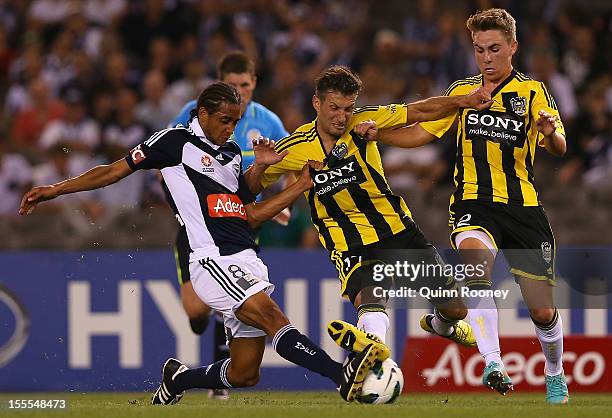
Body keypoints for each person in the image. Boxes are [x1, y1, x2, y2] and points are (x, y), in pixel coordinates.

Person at [19, 82, 384, 403]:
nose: (230, 129)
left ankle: (179, 378)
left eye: (235, 122)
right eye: (224, 121)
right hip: (212, 259)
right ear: (203, 113)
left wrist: (258, 168)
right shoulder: (174, 142)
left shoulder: (231, 155)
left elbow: (241, 201)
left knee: (244, 373)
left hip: (245, 255)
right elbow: (114, 170)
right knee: (273, 317)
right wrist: (56, 189)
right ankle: (342, 375)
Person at [358, 8, 569, 404]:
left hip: (524, 209)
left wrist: (550, 131)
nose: (486, 58)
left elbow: (559, 146)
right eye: (479, 50)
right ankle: (494, 363)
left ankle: (555, 371)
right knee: (476, 272)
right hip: (474, 204)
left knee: (542, 313)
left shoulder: (533, 92)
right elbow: (420, 132)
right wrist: (379, 134)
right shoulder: (464, 93)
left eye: (494, 49)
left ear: (512, 47)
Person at [245, 65, 493, 358]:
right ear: (317, 103)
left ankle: (443, 325)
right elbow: (248, 190)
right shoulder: (294, 147)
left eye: (348, 109)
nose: (342, 117)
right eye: (334, 108)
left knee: (455, 308)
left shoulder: (365, 121)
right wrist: (260, 165)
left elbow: (420, 111)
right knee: (372, 298)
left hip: (397, 230)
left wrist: (462, 101)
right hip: (348, 242)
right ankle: (374, 359)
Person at [164, 51, 290, 399]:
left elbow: (291, 159)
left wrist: (284, 203)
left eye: (245, 85)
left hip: (239, 225)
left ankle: (221, 378)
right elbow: (168, 161)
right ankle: (200, 332)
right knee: (197, 312)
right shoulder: (192, 113)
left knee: (236, 300)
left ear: (254, 84)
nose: (240, 91)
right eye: (232, 85)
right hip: (197, 228)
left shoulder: (268, 121)